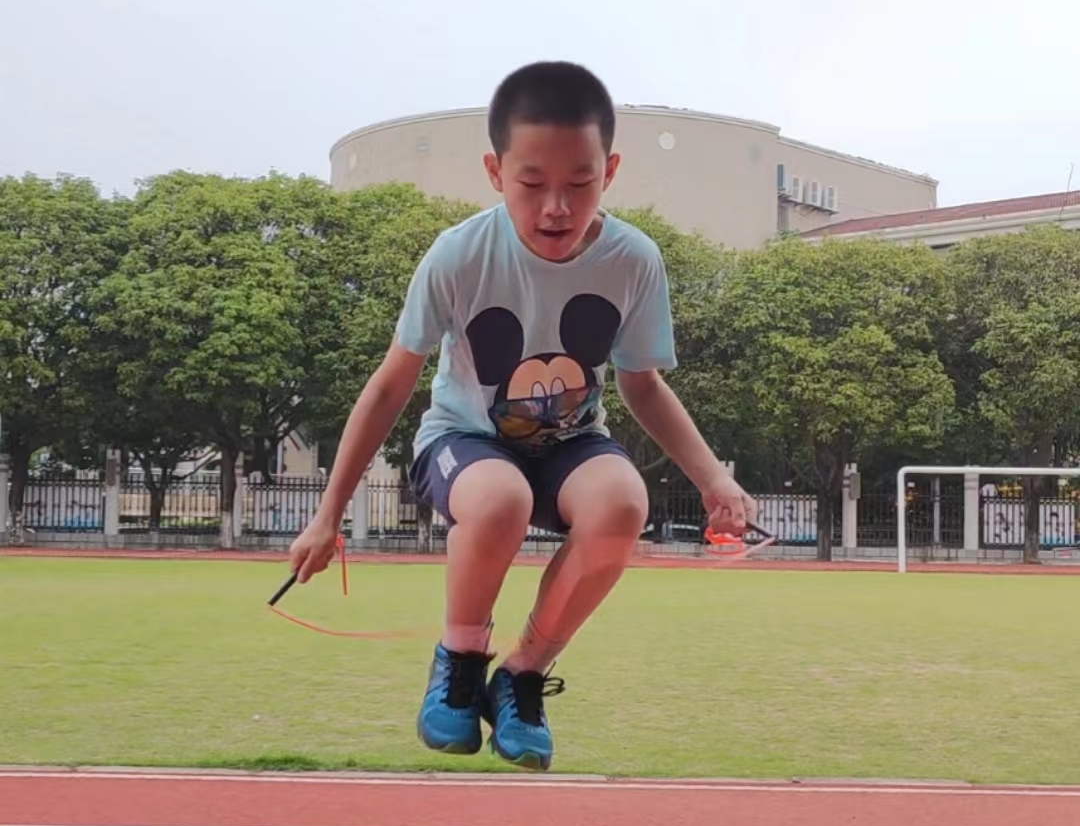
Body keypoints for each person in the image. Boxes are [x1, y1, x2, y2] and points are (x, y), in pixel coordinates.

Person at [289, 62, 755, 771]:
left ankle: (523, 675)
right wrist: (327, 515)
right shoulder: (459, 255)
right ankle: (460, 659)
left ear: (610, 171)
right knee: (499, 498)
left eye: (580, 183)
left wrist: (713, 477)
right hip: (464, 439)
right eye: (531, 184)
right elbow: (389, 386)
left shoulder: (632, 260)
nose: (556, 208)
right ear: (495, 172)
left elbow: (642, 385)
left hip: (570, 441)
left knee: (623, 503)